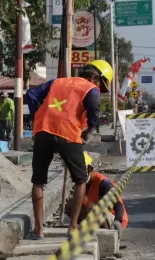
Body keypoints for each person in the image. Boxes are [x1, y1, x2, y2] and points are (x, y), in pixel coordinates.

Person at [25, 59, 113, 238]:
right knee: (80, 179)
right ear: (96, 78)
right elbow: (94, 107)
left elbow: (32, 94)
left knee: (38, 181)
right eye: (101, 86)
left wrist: (39, 116)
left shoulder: (57, 81)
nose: (99, 90)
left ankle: (38, 230)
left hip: (42, 131)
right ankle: (73, 227)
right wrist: (89, 129)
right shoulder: (90, 88)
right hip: (68, 133)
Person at [64, 152, 128, 233]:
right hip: (98, 214)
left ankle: (105, 233)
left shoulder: (104, 183)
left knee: (92, 207)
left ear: (89, 169)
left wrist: (118, 220)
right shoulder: (83, 184)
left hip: (114, 218)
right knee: (71, 204)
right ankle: (84, 226)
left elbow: (118, 204)